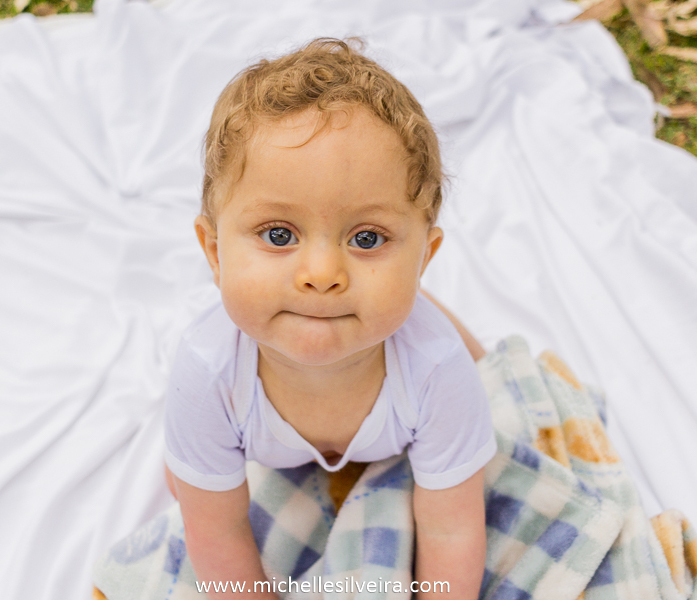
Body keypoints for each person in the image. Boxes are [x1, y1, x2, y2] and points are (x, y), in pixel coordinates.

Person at [163, 38, 497, 599]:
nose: (322, 273)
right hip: (254, 437)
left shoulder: (439, 370)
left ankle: (463, 333)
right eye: (278, 235)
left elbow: (452, 527)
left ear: (424, 259)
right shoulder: (207, 371)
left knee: (477, 371)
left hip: (421, 367)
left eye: (367, 238)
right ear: (215, 252)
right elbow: (215, 531)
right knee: (186, 487)